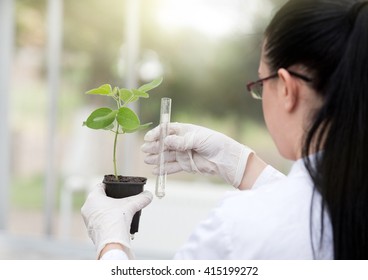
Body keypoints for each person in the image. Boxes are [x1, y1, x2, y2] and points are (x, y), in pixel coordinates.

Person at [81, 0, 368, 260]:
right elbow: (315, 208)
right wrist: (245, 167)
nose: (260, 95)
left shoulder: (239, 228)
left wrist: (111, 243)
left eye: (260, 84)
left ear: (287, 90)